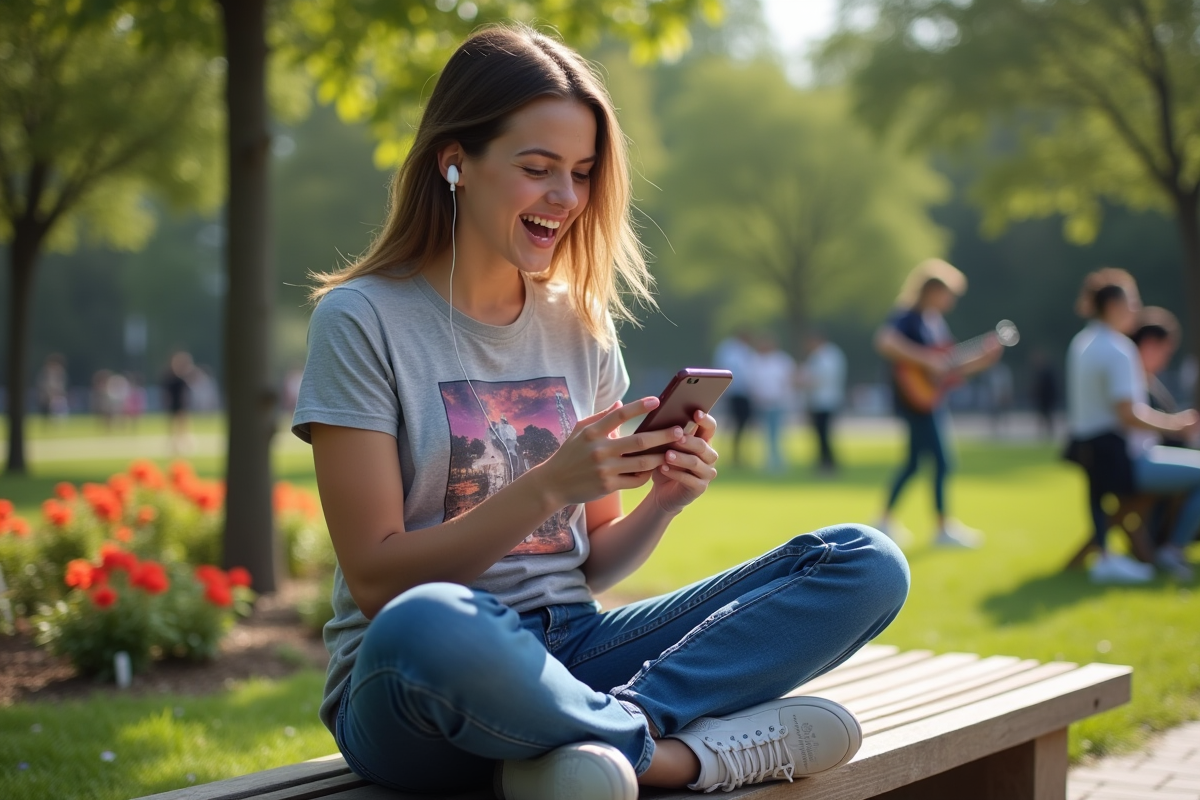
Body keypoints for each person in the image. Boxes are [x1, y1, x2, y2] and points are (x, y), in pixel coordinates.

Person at [291, 26, 909, 800]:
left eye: (582, 174)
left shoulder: (579, 324)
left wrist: (663, 505)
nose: (567, 198)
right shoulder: (360, 319)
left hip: (573, 651)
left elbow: (589, 563)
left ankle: (592, 742)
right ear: (456, 162)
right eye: (537, 169)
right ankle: (681, 758)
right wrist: (547, 487)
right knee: (431, 621)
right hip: (415, 680)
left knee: (863, 561)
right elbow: (378, 579)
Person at [1066, 270, 1199, 583]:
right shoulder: (1117, 348)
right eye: (1133, 302)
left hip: (1096, 459)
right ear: (1113, 305)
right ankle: (1173, 548)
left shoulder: (1082, 343)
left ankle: (1156, 548)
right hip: (1127, 460)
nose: (1137, 310)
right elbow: (1128, 413)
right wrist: (1176, 425)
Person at [873, 259, 1002, 548]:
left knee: (914, 463)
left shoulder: (935, 323)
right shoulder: (908, 316)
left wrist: (983, 360)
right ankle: (942, 527)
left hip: (930, 398)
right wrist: (925, 359)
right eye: (948, 293)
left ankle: (883, 520)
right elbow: (885, 342)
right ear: (932, 291)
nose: (951, 300)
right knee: (943, 461)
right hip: (915, 400)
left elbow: (948, 366)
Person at [800, 331, 845, 473]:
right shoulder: (825, 355)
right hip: (820, 400)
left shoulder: (827, 356)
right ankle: (824, 462)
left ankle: (828, 463)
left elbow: (821, 378)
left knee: (824, 434)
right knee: (821, 434)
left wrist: (803, 382)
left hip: (825, 401)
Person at [712, 329, 756, 467]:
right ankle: (732, 454)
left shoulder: (745, 351)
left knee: (741, 423)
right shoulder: (730, 350)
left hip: (745, 393)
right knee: (736, 423)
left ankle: (737, 453)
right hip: (735, 392)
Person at [162, 351, 195, 455]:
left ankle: (184, 443)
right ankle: (174, 444)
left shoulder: (181, 380)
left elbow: (185, 394)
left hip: (181, 405)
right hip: (174, 405)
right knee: (173, 425)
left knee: (182, 425)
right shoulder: (171, 379)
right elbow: (167, 393)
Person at [1030, 349, 1058, 440]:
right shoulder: (1038, 371)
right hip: (1041, 398)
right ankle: (1042, 434)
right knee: (1042, 416)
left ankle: (1049, 434)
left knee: (1048, 416)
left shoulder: (1047, 371)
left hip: (1047, 398)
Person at [36, 354, 69, 423]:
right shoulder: (46, 371)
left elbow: (61, 383)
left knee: (57, 408)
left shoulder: (59, 371)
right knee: (45, 409)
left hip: (57, 393)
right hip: (47, 393)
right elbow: (42, 383)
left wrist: (58, 391)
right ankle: (47, 421)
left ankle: (56, 421)